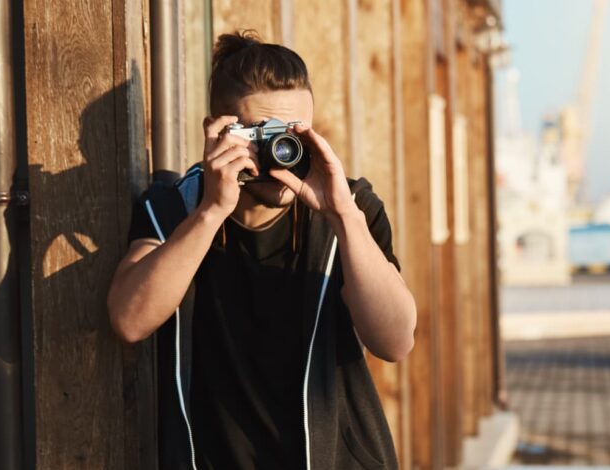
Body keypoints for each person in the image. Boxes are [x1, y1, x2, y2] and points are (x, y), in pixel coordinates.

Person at [107, 30, 416, 470]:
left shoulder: (350, 208)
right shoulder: (176, 208)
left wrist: (343, 217)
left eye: (293, 134)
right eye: (260, 135)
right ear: (217, 132)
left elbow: (396, 340)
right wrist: (211, 211)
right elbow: (129, 320)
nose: (280, 153)